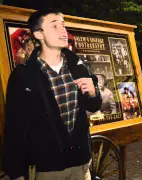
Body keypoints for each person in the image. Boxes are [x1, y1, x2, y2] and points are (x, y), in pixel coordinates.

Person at [3, 8, 102, 180]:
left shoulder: (77, 66)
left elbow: (94, 105)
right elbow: (14, 127)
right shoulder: (23, 76)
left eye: (63, 25)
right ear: (39, 34)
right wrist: (16, 173)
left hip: (81, 165)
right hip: (46, 168)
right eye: (54, 26)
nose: (63, 30)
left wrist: (93, 93)